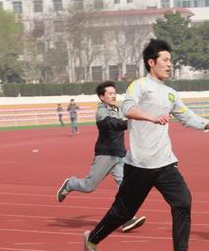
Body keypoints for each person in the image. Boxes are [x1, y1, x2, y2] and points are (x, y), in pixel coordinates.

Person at [82, 39, 209, 251]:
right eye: (165, 60)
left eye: (170, 60)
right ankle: (92, 238)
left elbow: (187, 117)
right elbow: (127, 110)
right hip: (139, 165)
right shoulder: (139, 86)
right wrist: (151, 118)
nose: (170, 64)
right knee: (122, 212)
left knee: (183, 202)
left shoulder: (171, 94)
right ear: (151, 62)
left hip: (165, 163)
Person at [57, 81, 146, 233]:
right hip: (105, 155)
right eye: (110, 93)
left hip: (120, 155)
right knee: (88, 186)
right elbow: (114, 124)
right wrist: (134, 122)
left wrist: (148, 117)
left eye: (114, 93)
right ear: (102, 97)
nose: (113, 95)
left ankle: (126, 219)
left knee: (125, 188)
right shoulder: (102, 112)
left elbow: (128, 119)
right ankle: (70, 184)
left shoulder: (117, 109)